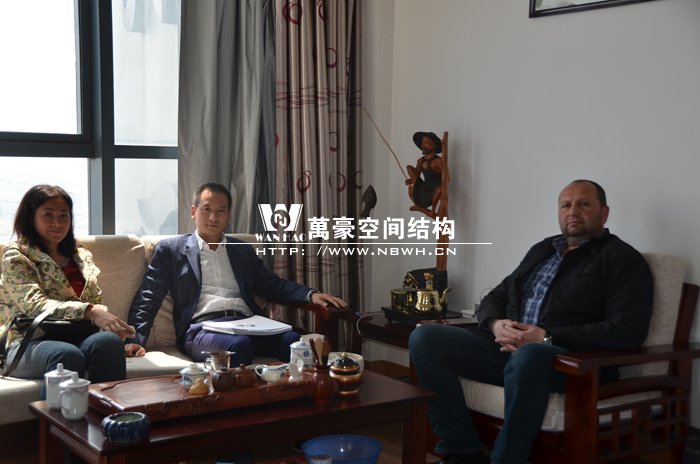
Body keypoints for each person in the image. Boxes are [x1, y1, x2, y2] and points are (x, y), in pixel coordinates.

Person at [409, 180, 653, 464]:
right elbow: (497, 294)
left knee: (531, 354)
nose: (573, 211)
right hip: (509, 352)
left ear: (604, 213)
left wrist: (546, 336)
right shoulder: (543, 250)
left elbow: (628, 330)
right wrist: (496, 323)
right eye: (566, 205)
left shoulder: (622, 259)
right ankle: (461, 452)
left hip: (570, 365)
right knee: (424, 338)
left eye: (584, 204)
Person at [126, 182, 347, 367]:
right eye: (206, 209)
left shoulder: (241, 250)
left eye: (221, 211)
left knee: (292, 341)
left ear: (228, 216)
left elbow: (272, 284)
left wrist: (310, 295)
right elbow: (148, 297)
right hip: (202, 329)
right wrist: (135, 339)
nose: (213, 217)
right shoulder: (172, 250)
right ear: (193, 211)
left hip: (248, 323)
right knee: (239, 346)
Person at [0, 185, 144, 384]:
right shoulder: (16, 257)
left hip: (76, 336)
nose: (57, 223)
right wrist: (90, 311)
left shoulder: (80, 256)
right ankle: (55, 407)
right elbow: (35, 306)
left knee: (109, 343)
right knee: (66, 355)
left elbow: (95, 302)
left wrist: (117, 335)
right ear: (31, 217)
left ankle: (105, 405)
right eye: (48, 215)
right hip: (27, 341)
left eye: (64, 215)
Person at [405, 131, 444, 218]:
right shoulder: (420, 161)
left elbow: (447, 178)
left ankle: (432, 211)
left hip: (434, 189)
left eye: (426, 143)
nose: (423, 146)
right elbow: (417, 175)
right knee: (409, 168)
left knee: (440, 189)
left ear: (434, 145)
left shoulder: (438, 161)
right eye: (422, 143)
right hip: (424, 187)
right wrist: (410, 180)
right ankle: (417, 200)